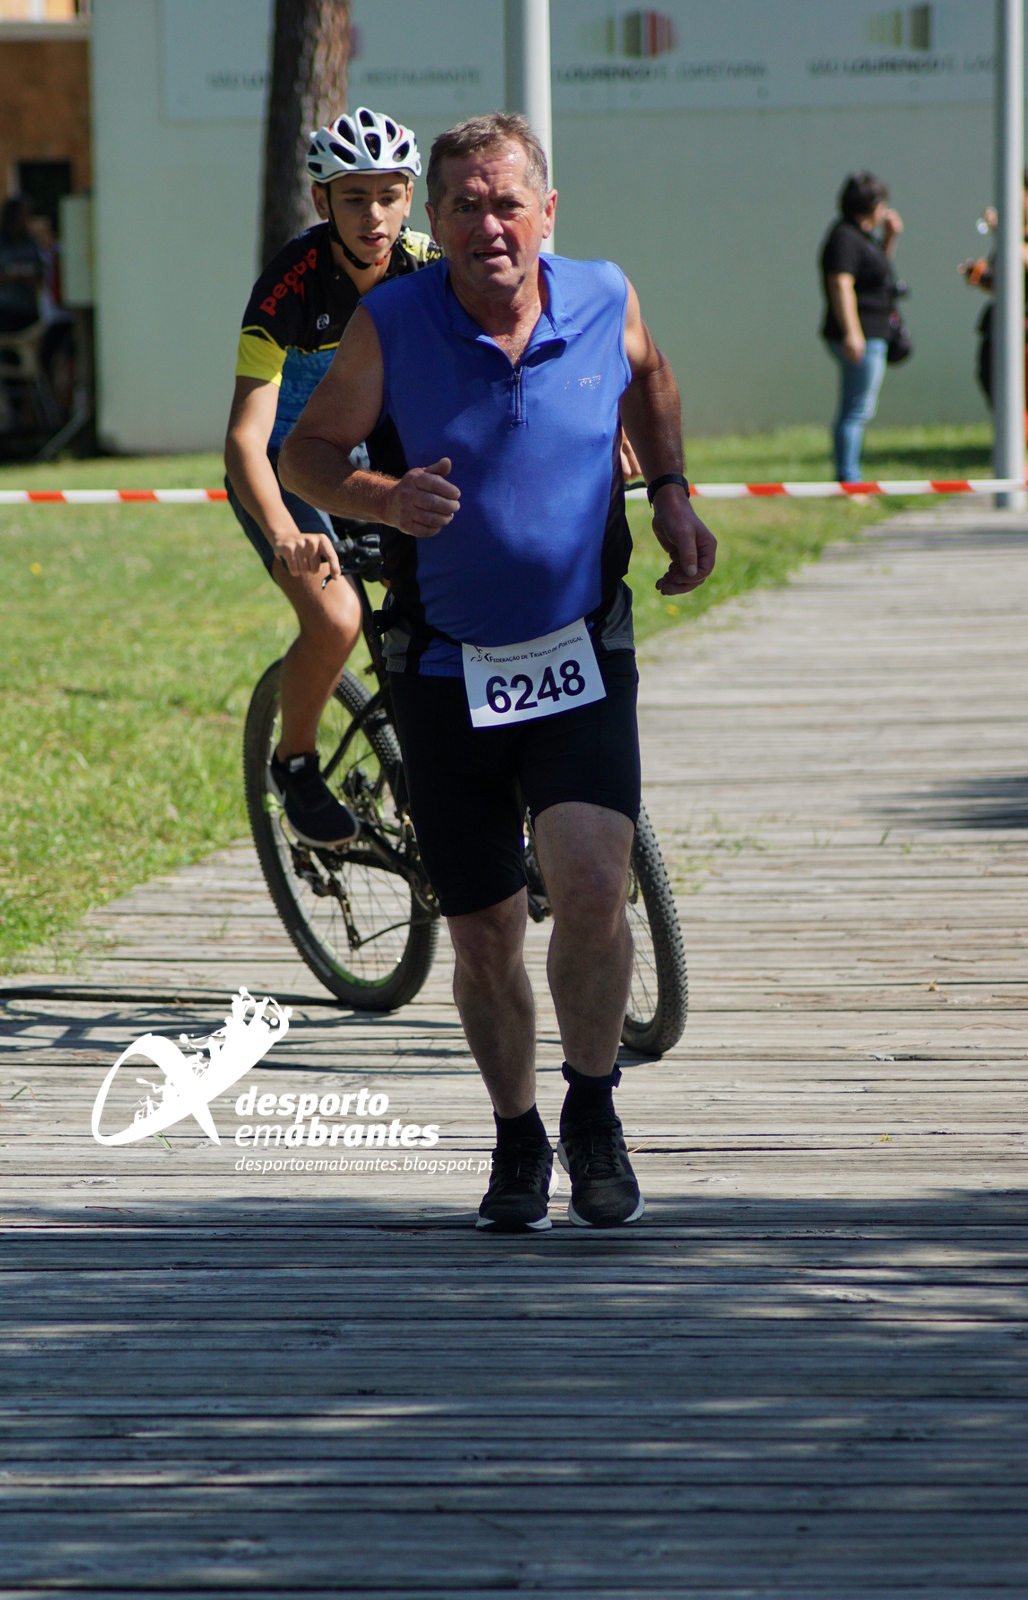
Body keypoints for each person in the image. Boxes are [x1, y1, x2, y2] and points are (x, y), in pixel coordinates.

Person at [280, 112, 716, 1232]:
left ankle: (592, 1111)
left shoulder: (602, 295)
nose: (489, 226)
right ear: (436, 217)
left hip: (580, 649)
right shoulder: (391, 324)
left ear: (546, 212)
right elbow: (305, 455)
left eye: (508, 203)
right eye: (466, 206)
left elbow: (652, 373)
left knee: (592, 885)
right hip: (443, 666)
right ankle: (517, 1133)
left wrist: (670, 492)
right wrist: (382, 498)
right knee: (483, 933)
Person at [224, 108, 440, 847]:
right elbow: (244, 440)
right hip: (286, 466)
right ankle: (294, 764)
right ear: (322, 202)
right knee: (339, 617)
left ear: (410, 200)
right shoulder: (289, 286)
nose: (373, 215)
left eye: (388, 196)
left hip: (375, 455)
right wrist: (284, 533)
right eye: (353, 198)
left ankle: (431, 755)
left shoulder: (429, 265)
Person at [819, 172, 904, 485]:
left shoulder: (862, 237)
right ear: (871, 205)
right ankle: (849, 480)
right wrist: (853, 332)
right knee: (856, 410)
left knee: (859, 409)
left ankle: (849, 477)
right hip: (862, 335)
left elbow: (877, 273)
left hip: (873, 332)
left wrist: (890, 238)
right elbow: (841, 284)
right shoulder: (844, 237)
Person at [959, 178, 1028, 416]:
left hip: (1023, 327)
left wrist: (1003, 233)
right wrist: (982, 277)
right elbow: (1007, 285)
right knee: (992, 380)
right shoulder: (1010, 237)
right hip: (1000, 323)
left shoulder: (1012, 238)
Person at [0, 196, 45, 333]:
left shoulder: (31, 242)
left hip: (28, 308)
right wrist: (13, 277)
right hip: (5, 307)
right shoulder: (3, 242)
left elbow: (40, 272)